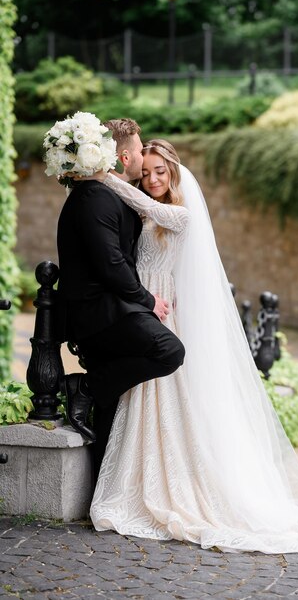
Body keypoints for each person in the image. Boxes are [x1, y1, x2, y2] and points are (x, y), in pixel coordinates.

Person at [86, 138, 298, 553]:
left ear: (173, 173)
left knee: (166, 392)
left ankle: (177, 487)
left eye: (161, 172)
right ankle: (139, 476)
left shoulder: (179, 214)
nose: (153, 179)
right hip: (143, 303)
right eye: (147, 173)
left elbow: (151, 210)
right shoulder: (141, 207)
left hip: (159, 308)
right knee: (146, 397)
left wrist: (102, 175)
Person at [56, 120, 185, 480]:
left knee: (113, 406)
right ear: (123, 156)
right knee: (169, 351)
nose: (145, 165)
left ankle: (104, 487)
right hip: (107, 312)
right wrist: (146, 300)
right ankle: (85, 385)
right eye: (142, 158)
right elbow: (111, 262)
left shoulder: (116, 196)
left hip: (121, 308)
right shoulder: (94, 196)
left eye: (158, 169)